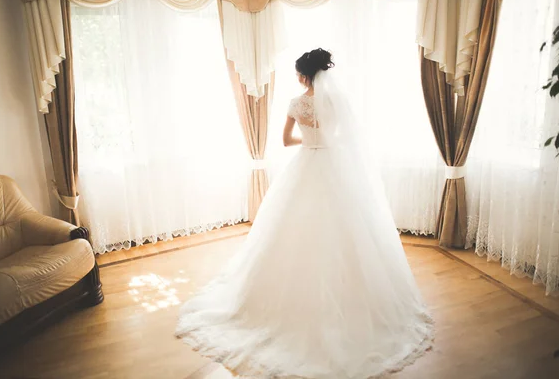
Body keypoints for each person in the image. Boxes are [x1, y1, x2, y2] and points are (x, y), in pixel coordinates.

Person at [176, 48, 434, 379]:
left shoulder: (296, 104)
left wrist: (309, 139)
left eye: (297, 73)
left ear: (302, 75)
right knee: (350, 233)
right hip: (337, 167)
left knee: (291, 232)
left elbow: (285, 141)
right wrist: (327, 139)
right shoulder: (337, 102)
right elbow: (347, 137)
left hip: (307, 163)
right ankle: (357, 303)